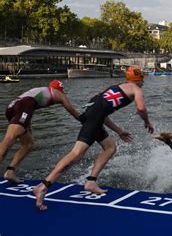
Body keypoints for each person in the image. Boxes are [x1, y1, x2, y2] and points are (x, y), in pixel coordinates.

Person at [33, 66, 154, 210]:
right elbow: (141, 108)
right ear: (139, 80)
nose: (143, 84)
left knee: (110, 147)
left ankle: (91, 182)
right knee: (76, 154)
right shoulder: (136, 89)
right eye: (143, 80)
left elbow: (100, 111)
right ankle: (43, 186)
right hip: (93, 117)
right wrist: (147, 122)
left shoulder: (117, 87)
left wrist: (119, 131)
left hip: (91, 113)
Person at [0, 80, 82, 183]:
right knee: (9, 139)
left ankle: (10, 172)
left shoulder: (40, 90)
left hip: (13, 107)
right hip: (23, 106)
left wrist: (27, 126)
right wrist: (86, 120)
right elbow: (73, 111)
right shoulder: (60, 94)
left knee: (28, 143)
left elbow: (28, 105)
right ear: (60, 89)